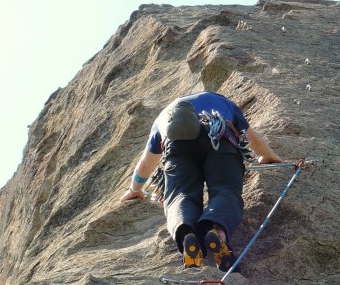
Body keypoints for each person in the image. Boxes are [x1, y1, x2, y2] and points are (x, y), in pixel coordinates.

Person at [121, 91, 282, 269]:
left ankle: (188, 236)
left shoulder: (164, 117)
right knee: (225, 190)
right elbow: (255, 141)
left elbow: (145, 165)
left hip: (176, 144)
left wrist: (134, 189)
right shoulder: (223, 102)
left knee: (180, 196)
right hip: (219, 135)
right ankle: (217, 233)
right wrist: (269, 156)